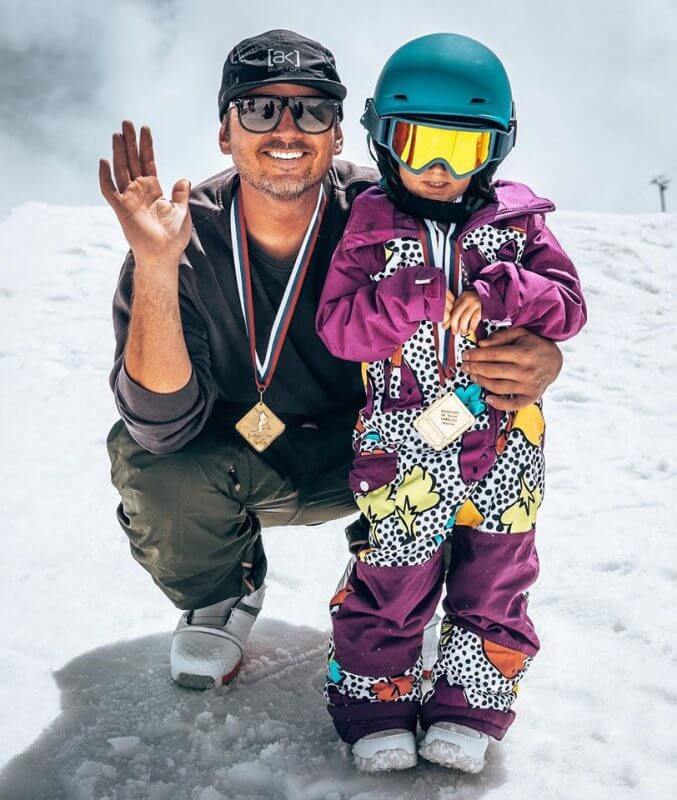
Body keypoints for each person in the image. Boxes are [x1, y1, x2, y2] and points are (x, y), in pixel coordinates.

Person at [100, 29, 565, 697]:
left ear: (341, 134)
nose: (286, 128)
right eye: (259, 109)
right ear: (225, 132)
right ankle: (227, 591)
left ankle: (383, 571)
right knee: (153, 464)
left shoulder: (399, 212)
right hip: (243, 451)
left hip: (380, 448)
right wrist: (154, 266)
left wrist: (540, 354)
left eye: (312, 110)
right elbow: (160, 425)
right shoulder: (181, 233)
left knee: (480, 446)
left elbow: (502, 293)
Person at [316, 33, 586, 774]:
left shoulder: (519, 225)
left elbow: (567, 307)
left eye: (460, 150)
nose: (437, 168)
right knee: (393, 574)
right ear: (382, 139)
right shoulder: (368, 229)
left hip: (506, 444)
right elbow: (339, 328)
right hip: (403, 445)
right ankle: (374, 701)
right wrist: (408, 296)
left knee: (495, 578)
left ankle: (470, 705)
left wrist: (509, 287)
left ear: (495, 150)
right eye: (417, 143)